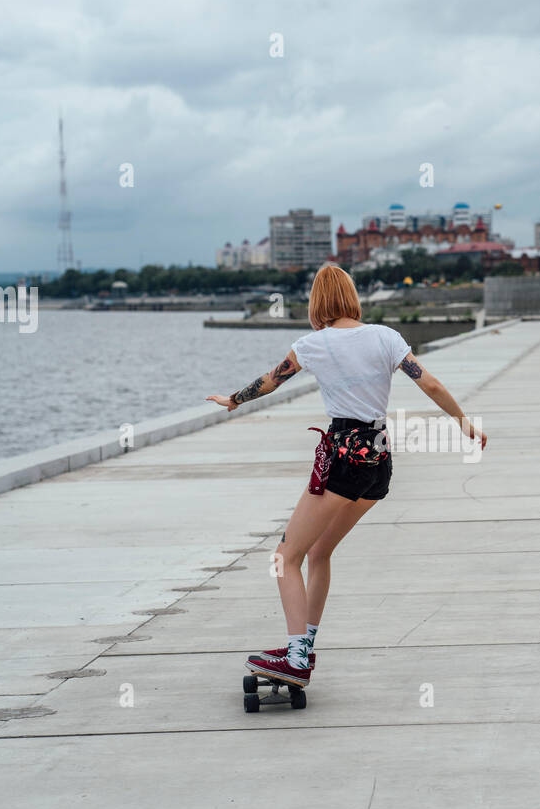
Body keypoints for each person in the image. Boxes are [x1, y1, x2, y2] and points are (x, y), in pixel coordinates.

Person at [207, 264, 486, 687]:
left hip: (342, 458)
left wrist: (233, 400)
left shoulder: (313, 344)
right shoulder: (385, 337)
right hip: (378, 459)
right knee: (318, 553)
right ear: (352, 297)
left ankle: (297, 657)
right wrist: (462, 419)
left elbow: (270, 381)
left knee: (285, 558)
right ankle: (303, 646)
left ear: (317, 303)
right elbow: (427, 383)